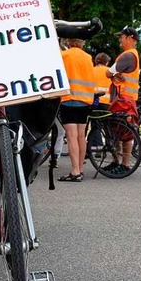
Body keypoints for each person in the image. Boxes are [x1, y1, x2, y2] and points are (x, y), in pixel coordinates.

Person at [58, 38, 95, 182]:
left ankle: (74, 171)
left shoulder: (64, 55)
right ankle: (80, 168)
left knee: (71, 136)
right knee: (81, 136)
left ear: (69, 42)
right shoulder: (88, 57)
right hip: (85, 100)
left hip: (69, 98)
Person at [104, 26, 140, 173]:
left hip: (124, 99)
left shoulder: (128, 56)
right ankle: (117, 162)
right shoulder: (132, 55)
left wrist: (112, 74)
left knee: (125, 133)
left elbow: (108, 72)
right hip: (123, 99)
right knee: (119, 132)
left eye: (122, 37)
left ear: (130, 38)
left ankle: (124, 165)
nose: (120, 39)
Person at [88, 52, 112, 151]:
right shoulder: (110, 71)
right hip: (108, 102)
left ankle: (98, 146)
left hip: (95, 101)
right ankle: (109, 144)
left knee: (95, 124)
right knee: (108, 125)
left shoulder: (91, 70)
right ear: (106, 62)